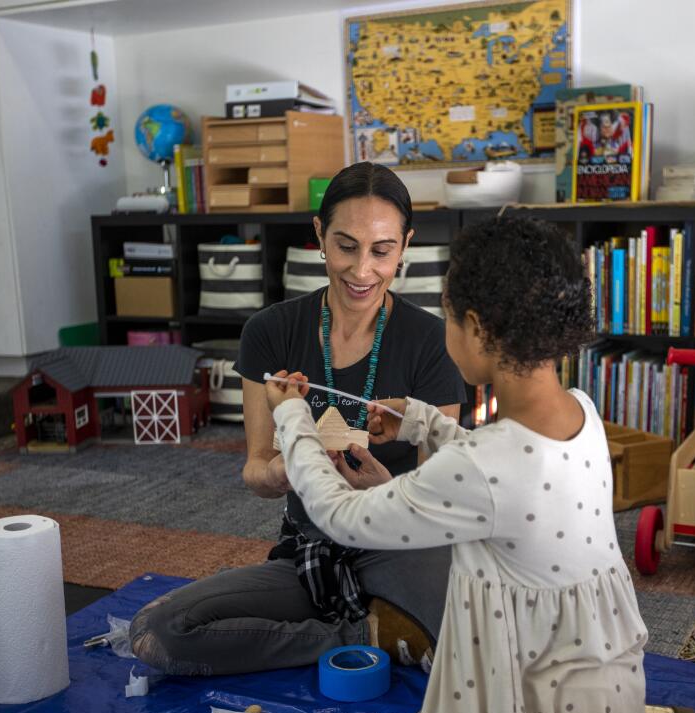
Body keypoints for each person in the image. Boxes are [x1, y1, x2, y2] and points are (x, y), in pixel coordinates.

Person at [266, 216, 649, 713]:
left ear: (475, 327)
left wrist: (292, 417)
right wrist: (421, 420)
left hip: (527, 695)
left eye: (447, 315)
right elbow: (504, 476)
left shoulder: (482, 467)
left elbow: (340, 514)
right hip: (597, 675)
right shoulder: (580, 410)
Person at [129, 162, 466, 675]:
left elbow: (442, 503)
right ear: (319, 235)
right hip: (312, 549)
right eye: (345, 245)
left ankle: (391, 622)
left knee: (484, 645)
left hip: (402, 546)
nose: (361, 271)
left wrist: (381, 491)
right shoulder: (270, 332)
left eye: (382, 250)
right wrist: (292, 469)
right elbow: (257, 473)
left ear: (405, 246)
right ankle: (360, 632)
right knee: (160, 634)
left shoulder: (431, 342)